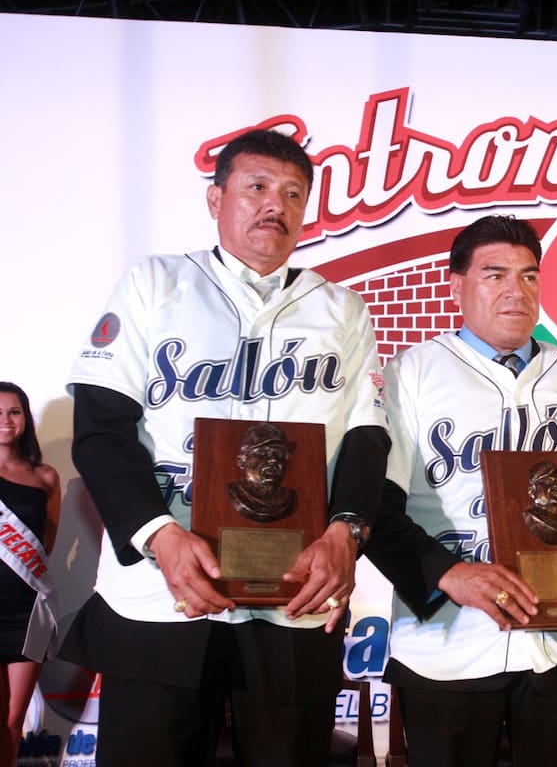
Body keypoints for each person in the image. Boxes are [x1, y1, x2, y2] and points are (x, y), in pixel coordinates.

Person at [61, 128, 391, 766]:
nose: (276, 204)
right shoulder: (156, 284)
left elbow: (366, 439)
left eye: (293, 193)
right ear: (216, 200)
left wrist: (345, 533)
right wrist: (157, 533)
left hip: (293, 591)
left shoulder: (342, 309)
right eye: (257, 187)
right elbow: (101, 428)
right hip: (166, 588)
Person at [367, 214, 557, 767]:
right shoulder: (410, 374)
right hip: (446, 640)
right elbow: (374, 506)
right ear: (456, 284)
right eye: (494, 274)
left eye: (530, 275)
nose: (516, 290)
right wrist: (447, 573)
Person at [0, 382, 60, 767]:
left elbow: (47, 542)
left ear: (26, 418)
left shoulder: (46, 477)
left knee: (12, 720)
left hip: (25, 613)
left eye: (14, 412)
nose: (5, 421)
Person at [226, 422, 298, 522]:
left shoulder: (287, 497)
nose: (273, 459)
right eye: (262, 453)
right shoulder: (235, 492)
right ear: (242, 461)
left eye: (279, 454)